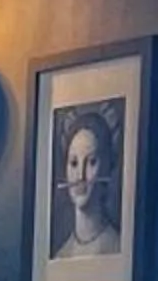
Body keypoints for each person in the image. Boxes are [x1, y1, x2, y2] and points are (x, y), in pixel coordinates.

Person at [52, 108, 121, 259]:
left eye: (91, 162)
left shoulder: (115, 246)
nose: (80, 176)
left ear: (107, 167)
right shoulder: (61, 255)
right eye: (74, 163)